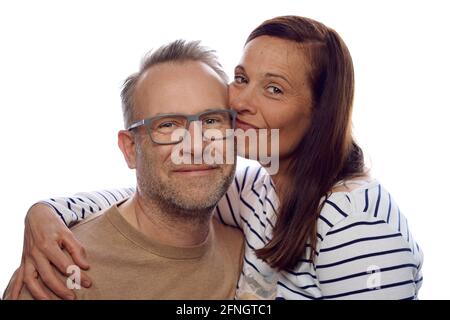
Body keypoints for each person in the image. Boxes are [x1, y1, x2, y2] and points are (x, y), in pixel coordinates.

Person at [6, 15, 423, 300]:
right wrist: (44, 213)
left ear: (321, 113)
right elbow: (165, 185)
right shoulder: (256, 191)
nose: (241, 101)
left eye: (274, 89)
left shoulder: (357, 223)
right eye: (241, 79)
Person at [5, 40, 244, 299]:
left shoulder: (251, 248)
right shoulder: (57, 273)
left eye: (211, 121)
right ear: (130, 149)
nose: (196, 145)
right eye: (168, 125)